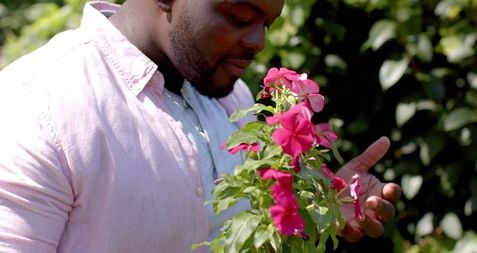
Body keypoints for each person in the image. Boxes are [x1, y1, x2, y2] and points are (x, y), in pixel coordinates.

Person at [0, 0, 401, 252]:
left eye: (268, 22)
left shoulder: (235, 100)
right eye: (241, 15)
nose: (258, 41)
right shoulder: (38, 107)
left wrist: (320, 208)